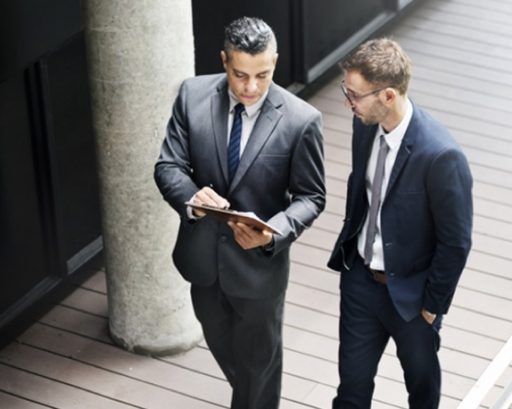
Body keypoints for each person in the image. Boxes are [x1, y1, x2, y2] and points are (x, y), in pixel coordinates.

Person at [154, 16, 325, 409]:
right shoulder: (191, 96)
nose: (251, 88)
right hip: (203, 263)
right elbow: (168, 167)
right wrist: (194, 198)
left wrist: (274, 232)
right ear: (224, 61)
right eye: (240, 75)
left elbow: (311, 196)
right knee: (234, 357)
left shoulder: (301, 121)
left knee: (260, 367)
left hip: (259, 269)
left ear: (275, 62)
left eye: (263, 75)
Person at [327, 38, 473, 409]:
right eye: (348, 91)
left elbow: (455, 242)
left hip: (413, 297)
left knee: (422, 395)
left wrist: (431, 305)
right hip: (360, 282)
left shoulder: (441, 156)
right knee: (350, 394)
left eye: (355, 95)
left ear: (388, 95)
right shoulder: (365, 124)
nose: (349, 103)